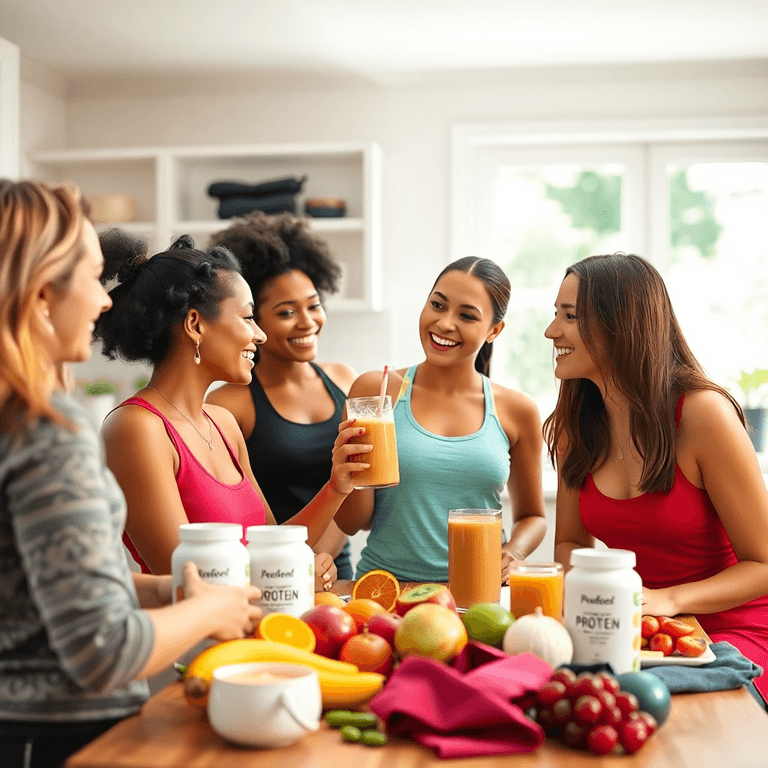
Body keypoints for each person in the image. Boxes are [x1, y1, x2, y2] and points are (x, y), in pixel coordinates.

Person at [0, 180, 263, 768]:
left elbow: (43, 590)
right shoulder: (42, 424)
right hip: (55, 738)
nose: (103, 302)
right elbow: (104, 650)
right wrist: (211, 609)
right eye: (93, 279)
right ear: (42, 292)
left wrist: (173, 592)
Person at [545, 252, 768, 705]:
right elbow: (570, 545)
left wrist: (670, 599)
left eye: (570, 316)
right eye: (556, 315)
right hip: (646, 628)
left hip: (737, 632)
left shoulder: (703, 415)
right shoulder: (576, 425)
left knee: (654, 709)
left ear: (620, 326)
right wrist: (594, 602)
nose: (552, 331)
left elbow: (763, 564)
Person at [95, 230, 369, 591]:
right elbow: (187, 580)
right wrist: (294, 575)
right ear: (195, 324)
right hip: (200, 642)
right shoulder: (135, 428)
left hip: (258, 628)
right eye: (247, 318)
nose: (260, 335)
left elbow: (272, 545)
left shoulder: (222, 423)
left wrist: (336, 486)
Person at [334, 256, 547, 583]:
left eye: (466, 315)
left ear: (494, 330)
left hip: (477, 594)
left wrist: (514, 552)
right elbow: (355, 521)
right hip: (385, 592)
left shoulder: (517, 410)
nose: (445, 323)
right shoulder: (376, 391)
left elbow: (533, 516)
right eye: (437, 305)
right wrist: (347, 474)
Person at [206, 212, 356, 580]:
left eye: (314, 305)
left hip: (333, 572)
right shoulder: (230, 404)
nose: (307, 322)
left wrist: (321, 556)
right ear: (252, 320)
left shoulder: (344, 380)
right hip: (270, 573)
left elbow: (354, 489)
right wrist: (300, 561)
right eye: (286, 312)